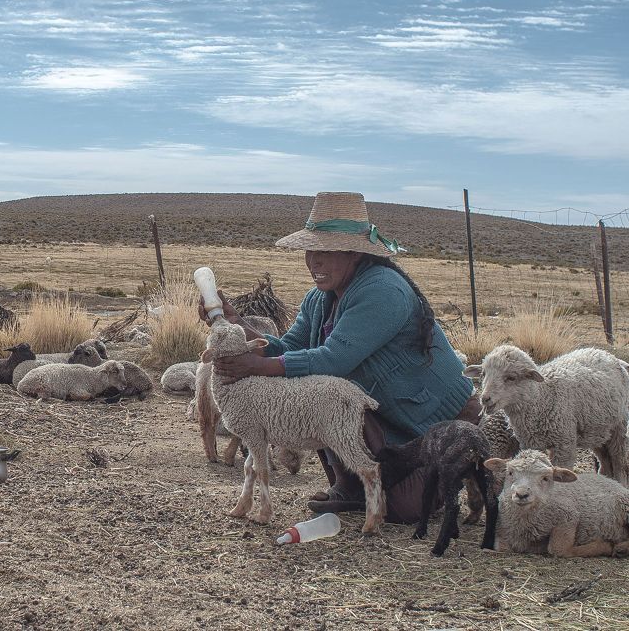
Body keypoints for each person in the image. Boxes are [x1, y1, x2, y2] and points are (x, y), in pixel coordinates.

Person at [198, 192, 478, 524]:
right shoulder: (320, 299)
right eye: (310, 251)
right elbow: (290, 350)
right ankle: (353, 487)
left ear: (354, 253)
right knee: (317, 395)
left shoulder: (383, 291)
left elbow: (333, 360)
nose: (314, 261)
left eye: (326, 252)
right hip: (384, 414)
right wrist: (236, 324)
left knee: (405, 511)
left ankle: (452, 468)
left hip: (430, 419)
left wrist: (257, 364)